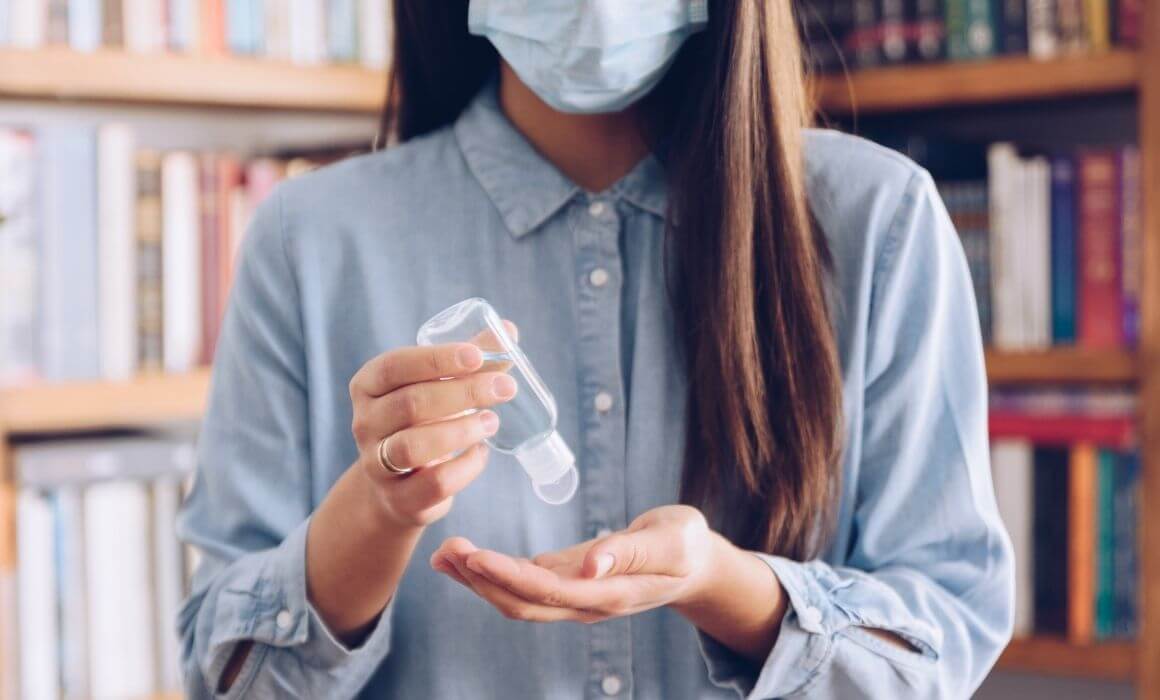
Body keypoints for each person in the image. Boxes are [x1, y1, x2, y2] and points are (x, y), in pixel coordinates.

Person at [177, 1, 1014, 698]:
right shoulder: (310, 238)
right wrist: (379, 510)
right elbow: (229, 676)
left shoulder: (878, 219)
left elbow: (939, 642)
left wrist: (723, 586)